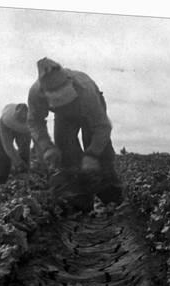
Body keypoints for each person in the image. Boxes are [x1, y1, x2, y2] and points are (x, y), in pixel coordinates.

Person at [27, 57, 123, 207]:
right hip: (63, 117)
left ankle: (112, 197)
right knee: (65, 152)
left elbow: (102, 126)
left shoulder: (86, 89)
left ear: (70, 84)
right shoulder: (35, 94)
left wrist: (92, 154)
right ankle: (79, 199)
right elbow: (35, 122)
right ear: (45, 93)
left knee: (100, 153)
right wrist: (46, 147)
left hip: (88, 112)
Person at [0, 103, 32, 184]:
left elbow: (26, 147)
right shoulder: (5, 120)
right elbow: (7, 145)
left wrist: (24, 165)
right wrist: (19, 163)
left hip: (25, 129)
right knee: (1, 152)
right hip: (6, 126)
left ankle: (23, 178)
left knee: (25, 151)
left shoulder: (30, 122)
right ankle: (0, 180)